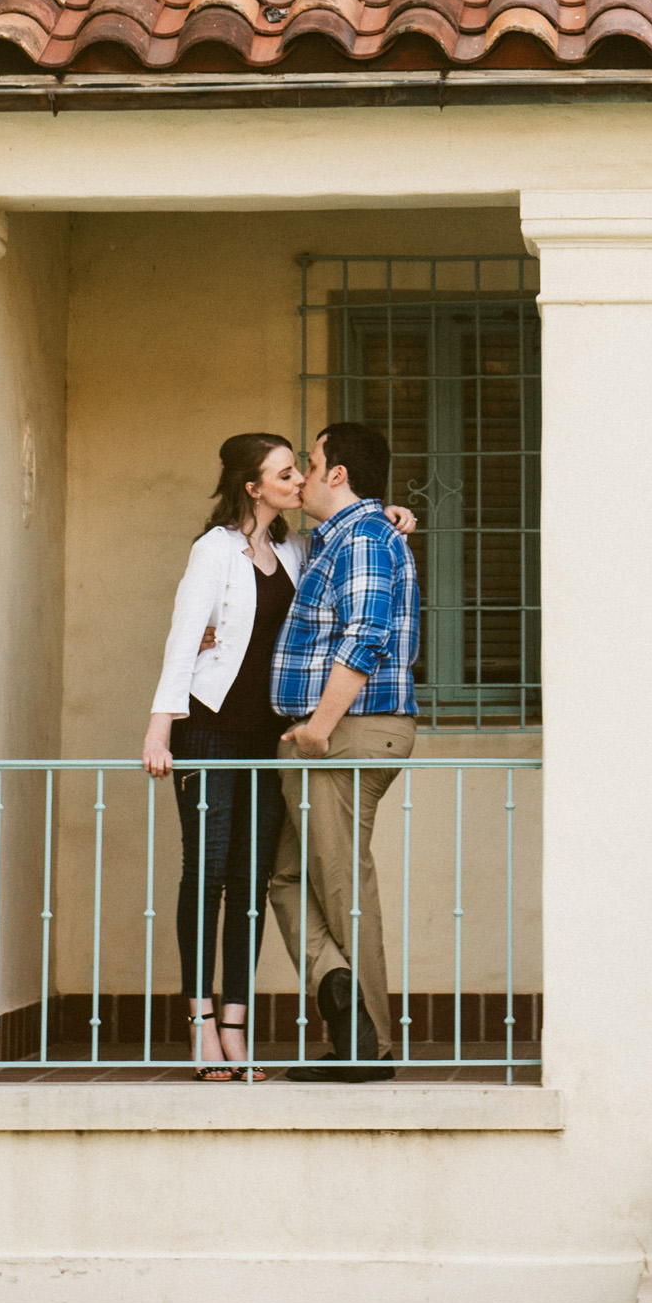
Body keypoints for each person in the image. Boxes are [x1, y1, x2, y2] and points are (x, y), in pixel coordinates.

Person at [143, 433, 303, 1082]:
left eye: (298, 470)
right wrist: (158, 732)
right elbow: (184, 640)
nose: (298, 480)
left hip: (269, 736)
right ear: (252, 485)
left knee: (250, 882)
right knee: (206, 875)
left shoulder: (296, 547)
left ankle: (237, 1027)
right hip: (207, 729)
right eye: (285, 472)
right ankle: (201, 1025)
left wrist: (391, 516)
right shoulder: (212, 551)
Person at [267, 420, 419, 1081]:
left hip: (349, 727)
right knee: (291, 878)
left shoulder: (360, 537)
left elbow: (366, 634)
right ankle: (341, 995)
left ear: (339, 473)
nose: (302, 471)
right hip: (338, 728)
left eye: (312, 459)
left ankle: (368, 1046)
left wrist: (320, 726)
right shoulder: (350, 534)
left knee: (339, 883)